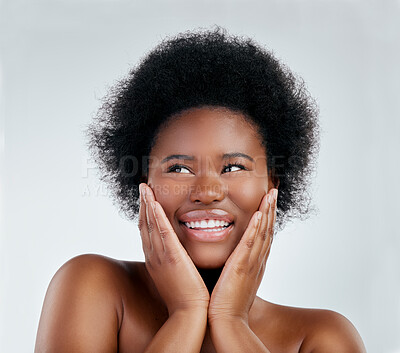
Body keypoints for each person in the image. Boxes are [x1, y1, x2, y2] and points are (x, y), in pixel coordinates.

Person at [34, 26, 366, 353]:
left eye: (234, 167)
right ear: (144, 184)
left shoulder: (321, 338)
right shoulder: (94, 287)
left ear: (273, 184)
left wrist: (231, 320)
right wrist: (186, 313)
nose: (207, 191)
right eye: (178, 168)